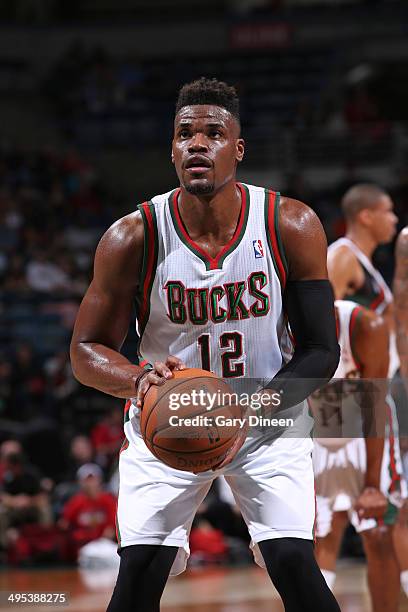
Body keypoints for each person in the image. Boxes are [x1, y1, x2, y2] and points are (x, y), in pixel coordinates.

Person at [70, 77, 341, 612]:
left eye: (214, 134)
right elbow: (85, 351)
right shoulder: (133, 235)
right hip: (168, 419)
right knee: (138, 577)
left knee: (295, 566)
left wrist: (249, 409)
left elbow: (320, 352)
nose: (198, 144)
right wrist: (136, 379)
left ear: (238, 149)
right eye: (185, 134)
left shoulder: (291, 224)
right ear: (171, 150)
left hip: (267, 416)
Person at [327, 187, 408, 597]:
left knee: (340, 521)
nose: (393, 219)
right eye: (387, 211)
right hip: (353, 397)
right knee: (374, 518)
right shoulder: (341, 257)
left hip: (353, 398)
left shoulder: (365, 265)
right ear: (365, 216)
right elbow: (316, 324)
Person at [311, 300, 401, 611]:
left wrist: (373, 485)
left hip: (366, 434)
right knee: (316, 536)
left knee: (377, 531)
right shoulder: (283, 325)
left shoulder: (365, 327)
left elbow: (374, 409)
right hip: (316, 433)